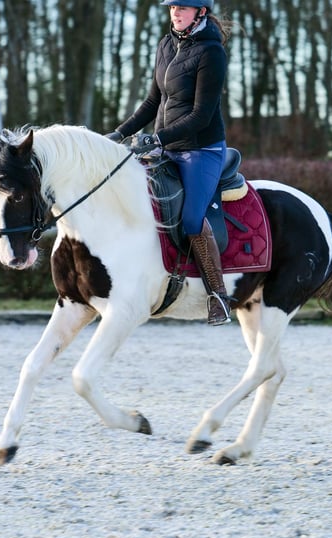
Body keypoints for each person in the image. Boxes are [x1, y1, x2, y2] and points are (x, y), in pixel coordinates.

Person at [105, 0, 233, 326]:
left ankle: (218, 295)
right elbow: (153, 101)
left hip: (200, 150)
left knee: (191, 219)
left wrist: (158, 138)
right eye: (173, 7)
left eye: (183, 8)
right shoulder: (165, 44)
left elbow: (201, 115)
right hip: (164, 148)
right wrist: (119, 134)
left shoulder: (212, 53)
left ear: (200, 12)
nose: (175, 12)